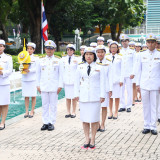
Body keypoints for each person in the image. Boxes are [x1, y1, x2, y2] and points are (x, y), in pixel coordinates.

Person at [74, 47, 105, 149]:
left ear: (94, 56)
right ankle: (87, 138)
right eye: (86, 54)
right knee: (85, 119)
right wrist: (76, 94)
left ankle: (93, 139)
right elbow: (76, 81)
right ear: (84, 56)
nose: (88, 56)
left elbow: (102, 81)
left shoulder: (100, 66)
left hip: (95, 96)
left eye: (91, 54)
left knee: (94, 119)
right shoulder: (80, 67)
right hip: (83, 96)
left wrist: (102, 95)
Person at [136, 33, 160, 135]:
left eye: (152, 42)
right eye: (149, 42)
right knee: (146, 105)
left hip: (155, 84)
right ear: (146, 43)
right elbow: (138, 70)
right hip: (144, 83)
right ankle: (146, 125)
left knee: (154, 105)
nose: (150, 44)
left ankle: (153, 126)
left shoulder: (159, 55)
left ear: (155, 43)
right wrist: (137, 84)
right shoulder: (142, 55)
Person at [37, 40, 63, 131]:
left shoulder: (58, 60)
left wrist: (60, 86)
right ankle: (45, 122)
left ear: (54, 50)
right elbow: (38, 74)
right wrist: (37, 85)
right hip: (43, 86)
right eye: (47, 49)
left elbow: (61, 74)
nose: (49, 50)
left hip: (54, 86)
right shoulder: (40, 60)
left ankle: (51, 122)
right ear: (45, 49)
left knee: (53, 105)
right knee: (44, 105)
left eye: (51, 49)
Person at [96, 45, 112, 132]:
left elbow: (110, 76)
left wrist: (110, 89)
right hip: (96, 88)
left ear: (105, 53)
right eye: (98, 52)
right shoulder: (94, 62)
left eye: (102, 52)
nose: (100, 54)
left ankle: (103, 124)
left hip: (105, 88)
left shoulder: (108, 62)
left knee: (104, 106)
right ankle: (97, 123)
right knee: (96, 107)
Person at [118, 34, 135, 113]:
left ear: (128, 42)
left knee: (129, 90)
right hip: (121, 74)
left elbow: (135, 63)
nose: (124, 43)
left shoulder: (132, 51)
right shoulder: (119, 52)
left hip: (129, 74)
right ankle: (122, 106)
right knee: (121, 90)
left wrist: (133, 73)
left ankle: (128, 106)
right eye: (122, 41)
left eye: (125, 41)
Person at [22, 42, 39, 118]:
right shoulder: (23, 57)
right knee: (26, 96)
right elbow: (20, 65)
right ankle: (26, 111)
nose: (29, 50)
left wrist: (30, 70)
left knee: (33, 95)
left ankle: (32, 111)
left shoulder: (36, 58)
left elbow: (37, 69)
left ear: (33, 50)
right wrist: (22, 69)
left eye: (31, 49)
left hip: (32, 79)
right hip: (25, 78)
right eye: (28, 48)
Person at [61, 44, 78, 118]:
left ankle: (74, 111)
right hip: (66, 81)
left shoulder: (77, 59)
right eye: (68, 50)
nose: (69, 51)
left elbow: (78, 71)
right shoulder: (63, 59)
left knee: (74, 97)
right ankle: (68, 111)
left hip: (74, 81)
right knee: (67, 97)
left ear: (73, 51)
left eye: (71, 50)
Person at [107, 41, 123, 119]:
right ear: (109, 48)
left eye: (115, 47)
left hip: (117, 80)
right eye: (112, 47)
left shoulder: (120, 57)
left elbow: (123, 69)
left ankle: (116, 111)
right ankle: (110, 111)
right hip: (109, 80)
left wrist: (121, 80)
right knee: (110, 97)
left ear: (117, 48)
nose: (113, 49)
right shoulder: (107, 57)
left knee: (117, 96)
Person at [0, 39, 13, 130]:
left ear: (4, 47)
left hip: (4, 83)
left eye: (1, 46)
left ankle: (3, 122)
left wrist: (2, 72)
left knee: (4, 103)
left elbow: (10, 70)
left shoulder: (8, 58)